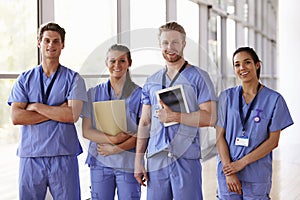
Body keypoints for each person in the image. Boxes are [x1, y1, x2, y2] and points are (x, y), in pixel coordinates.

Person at [134, 21, 217, 200]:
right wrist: (138, 160)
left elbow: (210, 117)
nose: (169, 47)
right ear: (159, 45)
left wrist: (175, 116)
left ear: (183, 44)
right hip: (157, 160)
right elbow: (145, 122)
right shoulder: (152, 81)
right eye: (165, 43)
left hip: (185, 158)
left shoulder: (199, 77)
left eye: (175, 42)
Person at [7, 22, 87, 199]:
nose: (51, 45)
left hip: (63, 155)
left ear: (62, 45)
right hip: (31, 156)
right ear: (39, 43)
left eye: (56, 41)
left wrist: (36, 107)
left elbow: (72, 115)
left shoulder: (73, 79)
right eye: (47, 40)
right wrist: (58, 110)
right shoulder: (24, 79)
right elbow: (16, 116)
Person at [216, 47, 294, 199]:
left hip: (256, 174)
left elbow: (273, 141)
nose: (242, 68)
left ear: (257, 65)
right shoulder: (226, 97)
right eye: (237, 65)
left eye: (247, 62)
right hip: (228, 172)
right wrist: (229, 170)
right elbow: (219, 137)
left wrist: (241, 163)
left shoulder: (274, 99)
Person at [81, 44, 142, 200]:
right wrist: (113, 139)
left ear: (130, 63)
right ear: (106, 63)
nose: (117, 65)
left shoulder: (140, 95)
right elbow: (86, 131)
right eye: (112, 61)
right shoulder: (93, 94)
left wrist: (116, 149)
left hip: (127, 163)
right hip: (100, 163)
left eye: (122, 61)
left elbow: (142, 135)